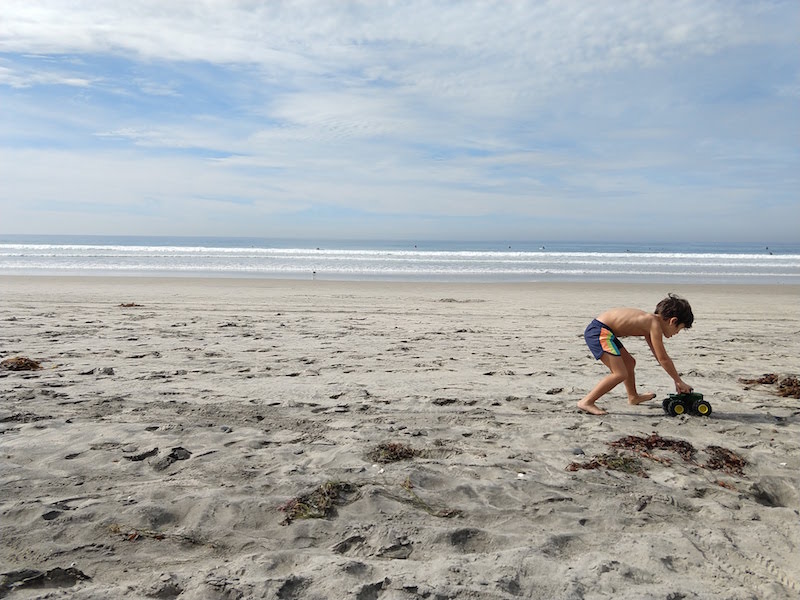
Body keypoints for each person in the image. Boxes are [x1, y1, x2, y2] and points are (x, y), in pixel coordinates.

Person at [577, 294, 694, 415]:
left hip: (606, 332)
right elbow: (663, 358)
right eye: (679, 329)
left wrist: (676, 380)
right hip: (599, 332)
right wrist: (679, 381)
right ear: (673, 321)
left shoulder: (651, 323)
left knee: (629, 363)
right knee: (620, 374)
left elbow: (659, 356)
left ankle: (633, 397)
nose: (676, 333)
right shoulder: (654, 324)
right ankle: (587, 401)